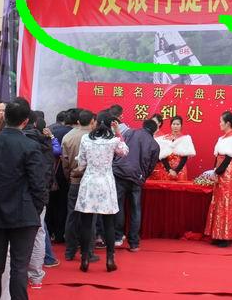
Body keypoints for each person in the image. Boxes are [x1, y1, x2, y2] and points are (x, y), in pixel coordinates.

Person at [0, 98, 47, 300]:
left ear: (4, 117)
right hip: (23, 213)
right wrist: (35, 208)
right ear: (26, 121)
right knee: (19, 266)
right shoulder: (30, 146)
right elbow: (38, 184)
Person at [75, 111, 129, 272]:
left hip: (89, 182)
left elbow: (81, 163)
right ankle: (110, 259)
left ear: (96, 122)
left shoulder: (86, 139)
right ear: (111, 124)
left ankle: (85, 259)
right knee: (109, 224)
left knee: (86, 223)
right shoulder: (113, 141)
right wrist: (118, 132)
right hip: (106, 182)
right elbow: (124, 152)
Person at [24, 112, 60, 289]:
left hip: (21, 195)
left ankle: (17, 273)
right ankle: (36, 276)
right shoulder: (45, 144)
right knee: (38, 233)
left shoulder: (21, 142)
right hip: (40, 195)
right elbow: (47, 172)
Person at [113, 118, 159, 252]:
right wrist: (143, 176)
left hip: (120, 172)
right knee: (135, 209)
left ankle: (117, 237)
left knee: (118, 205)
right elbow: (151, 166)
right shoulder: (155, 145)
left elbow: (118, 147)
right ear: (155, 130)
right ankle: (134, 243)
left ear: (143, 125)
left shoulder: (129, 133)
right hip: (137, 178)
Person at [61, 109, 98, 263]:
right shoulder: (95, 138)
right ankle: (87, 252)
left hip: (74, 180)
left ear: (78, 121)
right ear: (92, 122)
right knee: (90, 218)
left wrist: (69, 176)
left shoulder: (68, 137)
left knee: (72, 216)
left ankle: (69, 251)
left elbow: (65, 162)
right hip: (90, 183)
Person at [204, 111, 232, 247]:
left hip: (226, 172)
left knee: (225, 201)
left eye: (221, 121)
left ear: (227, 123)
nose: (219, 124)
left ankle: (225, 236)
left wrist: (217, 171)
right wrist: (214, 171)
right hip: (219, 170)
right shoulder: (222, 138)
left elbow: (227, 159)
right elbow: (218, 157)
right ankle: (217, 234)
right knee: (217, 201)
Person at [46, 110, 73, 244]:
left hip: (49, 172)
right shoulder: (70, 132)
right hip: (63, 173)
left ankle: (48, 231)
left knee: (49, 204)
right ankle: (59, 233)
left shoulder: (48, 130)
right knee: (63, 204)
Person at [151, 115, 196, 181]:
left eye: (178, 124)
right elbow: (162, 156)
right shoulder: (165, 138)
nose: (175, 126)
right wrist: (169, 169)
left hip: (180, 170)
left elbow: (184, 157)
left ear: (181, 126)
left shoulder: (185, 139)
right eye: (173, 124)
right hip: (166, 170)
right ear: (171, 125)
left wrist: (176, 171)